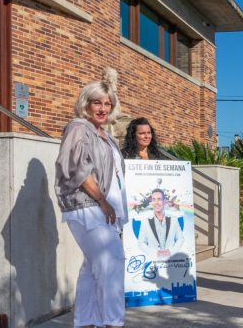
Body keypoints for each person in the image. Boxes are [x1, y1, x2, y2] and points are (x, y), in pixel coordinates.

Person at [55, 71, 127, 328]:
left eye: (107, 104)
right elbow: (78, 168)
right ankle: (113, 323)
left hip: (104, 211)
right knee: (111, 263)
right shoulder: (79, 128)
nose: (103, 108)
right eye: (97, 102)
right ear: (86, 104)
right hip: (89, 208)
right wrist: (102, 200)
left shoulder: (105, 135)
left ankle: (85, 321)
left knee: (92, 268)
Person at [137, 188, 184, 258]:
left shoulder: (174, 219)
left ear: (164, 201)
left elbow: (181, 238)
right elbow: (141, 243)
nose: (156, 202)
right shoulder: (145, 221)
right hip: (153, 262)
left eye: (159, 199)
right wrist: (154, 253)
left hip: (171, 261)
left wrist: (171, 251)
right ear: (151, 202)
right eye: (154, 199)